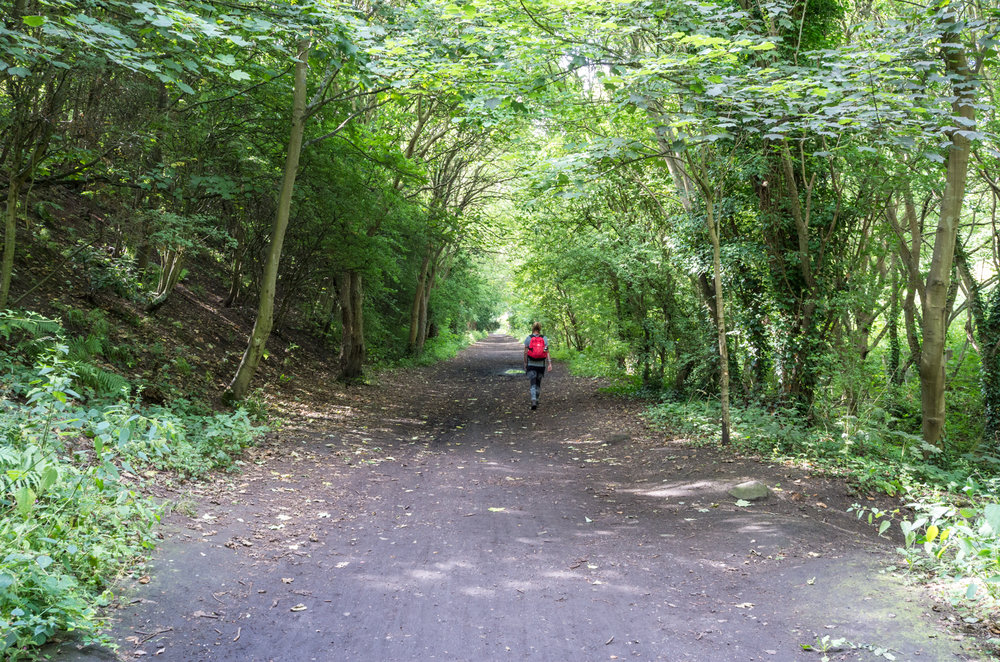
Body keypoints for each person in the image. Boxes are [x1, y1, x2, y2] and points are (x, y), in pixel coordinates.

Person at [523, 322, 552, 410]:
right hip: (541, 364)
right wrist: (549, 363)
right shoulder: (544, 338)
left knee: (533, 382)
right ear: (540, 328)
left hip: (531, 363)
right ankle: (537, 399)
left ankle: (533, 399)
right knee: (538, 382)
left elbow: (525, 352)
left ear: (533, 328)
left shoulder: (529, 338)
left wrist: (525, 363)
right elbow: (546, 351)